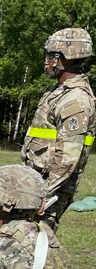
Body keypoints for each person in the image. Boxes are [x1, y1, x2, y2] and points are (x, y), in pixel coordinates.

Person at [21, 27, 96, 228]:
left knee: (35, 244)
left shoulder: (75, 100)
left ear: (68, 58)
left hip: (51, 189)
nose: (46, 61)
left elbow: (68, 157)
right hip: (38, 181)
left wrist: (44, 195)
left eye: (52, 56)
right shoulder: (59, 92)